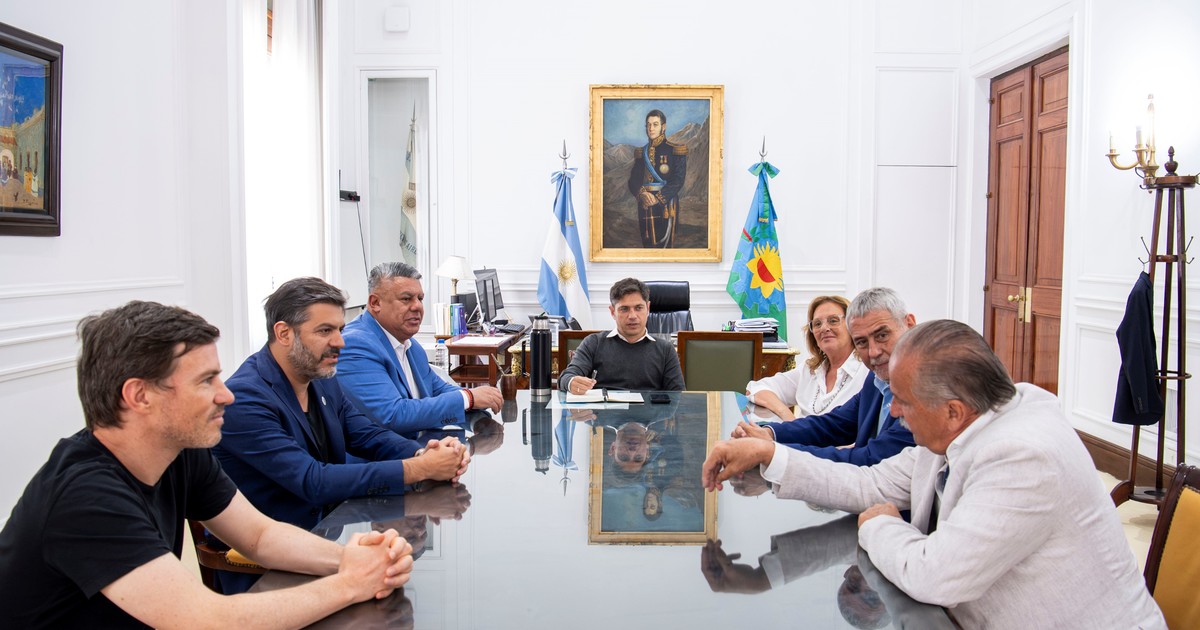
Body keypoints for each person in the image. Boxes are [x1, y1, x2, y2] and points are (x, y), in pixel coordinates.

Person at [702, 320, 1166, 629]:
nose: (894, 412)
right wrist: (769, 453)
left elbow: (935, 575)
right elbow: (870, 482)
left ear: (953, 411)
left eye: (902, 401)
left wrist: (880, 525)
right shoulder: (966, 423)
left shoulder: (1024, 457)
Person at [0, 301, 414, 629]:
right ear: (139, 396)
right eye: (205, 381)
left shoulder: (179, 450)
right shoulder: (86, 495)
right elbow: (204, 619)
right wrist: (349, 584)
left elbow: (260, 536)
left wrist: (352, 559)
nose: (226, 394)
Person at [214, 277, 469, 594]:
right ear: (283, 333)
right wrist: (419, 469)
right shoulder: (245, 398)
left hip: (325, 538)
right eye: (325, 331)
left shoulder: (320, 377)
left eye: (340, 329)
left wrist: (423, 453)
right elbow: (313, 481)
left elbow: (366, 434)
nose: (340, 342)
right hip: (265, 571)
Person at [731, 287, 915, 465]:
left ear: (909, 325)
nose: (873, 352)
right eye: (862, 342)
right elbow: (833, 425)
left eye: (882, 335)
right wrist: (769, 433)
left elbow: (873, 458)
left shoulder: (922, 389)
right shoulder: (876, 380)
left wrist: (772, 451)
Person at [338, 262, 503, 438]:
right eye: (406, 299)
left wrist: (478, 398)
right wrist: (468, 398)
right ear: (375, 303)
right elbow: (392, 415)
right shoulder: (354, 345)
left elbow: (438, 390)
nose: (417, 306)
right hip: (387, 453)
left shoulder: (411, 345)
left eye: (420, 298)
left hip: (425, 446)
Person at [746, 295, 867, 420]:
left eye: (833, 321)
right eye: (817, 324)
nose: (824, 328)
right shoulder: (810, 370)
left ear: (852, 325)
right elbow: (755, 388)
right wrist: (787, 415)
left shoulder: (866, 371)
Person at [559, 277, 685, 393]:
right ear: (612, 312)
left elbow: (679, 396)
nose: (632, 316)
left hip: (650, 411)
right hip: (604, 409)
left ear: (648, 308)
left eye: (639, 308)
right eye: (624, 309)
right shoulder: (593, 343)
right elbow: (566, 377)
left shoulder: (665, 349)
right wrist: (571, 382)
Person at [627, 109, 687, 248]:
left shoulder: (675, 151)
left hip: (666, 204)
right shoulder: (642, 153)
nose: (651, 128)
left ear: (663, 127)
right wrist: (642, 193)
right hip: (644, 204)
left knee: (665, 247)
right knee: (647, 244)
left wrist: (658, 198)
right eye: (648, 125)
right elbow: (633, 180)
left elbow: (678, 180)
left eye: (655, 124)